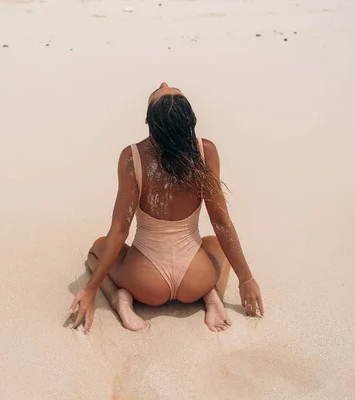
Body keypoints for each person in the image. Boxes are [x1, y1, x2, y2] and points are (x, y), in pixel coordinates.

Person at [69, 82, 264, 334]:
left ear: (149, 121)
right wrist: (246, 279)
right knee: (218, 243)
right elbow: (221, 222)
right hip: (196, 279)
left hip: (146, 284)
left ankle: (120, 300)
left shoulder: (133, 156)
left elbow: (120, 229)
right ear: (188, 120)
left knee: (98, 247)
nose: (164, 83)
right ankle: (212, 297)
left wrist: (91, 289)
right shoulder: (205, 151)